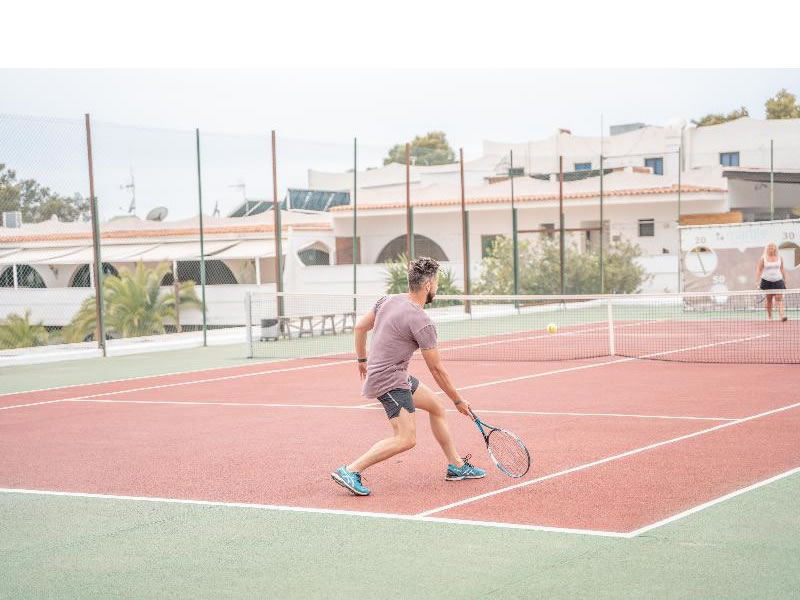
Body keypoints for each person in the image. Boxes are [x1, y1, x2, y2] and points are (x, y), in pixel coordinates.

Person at [331, 256, 485, 496]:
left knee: (436, 407)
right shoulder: (422, 322)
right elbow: (437, 369)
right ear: (428, 286)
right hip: (389, 380)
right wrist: (458, 399)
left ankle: (456, 466)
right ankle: (351, 470)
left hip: (394, 373)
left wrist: (362, 360)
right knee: (406, 439)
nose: (437, 287)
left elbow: (360, 327)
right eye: (436, 283)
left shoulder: (388, 300)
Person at [755, 242, 789, 322]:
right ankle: (770, 317)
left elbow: (782, 269)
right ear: (767, 248)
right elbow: (759, 270)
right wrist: (757, 281)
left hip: (778, 280)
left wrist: (785, 279)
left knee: (779, 298)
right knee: (769, 299)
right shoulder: (763, 258)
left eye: (773, 246)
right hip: (767, 281)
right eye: (769, 246)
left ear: (775, 248)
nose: (771, 247)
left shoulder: (780, 257)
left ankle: (782, 316)